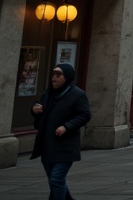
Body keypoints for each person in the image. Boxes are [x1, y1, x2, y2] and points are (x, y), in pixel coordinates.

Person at [31, 62, 91, 200]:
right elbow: (41, 111)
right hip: (47, 145)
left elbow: (85, 115)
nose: (54, 78)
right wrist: (35, 110)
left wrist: (66, 126)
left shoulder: (77, 95)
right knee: (54, 180)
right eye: (53, 74)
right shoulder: (47, 94)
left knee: (56, 180)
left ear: (67, 77)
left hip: (65, 146)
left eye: (59, 75)